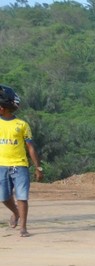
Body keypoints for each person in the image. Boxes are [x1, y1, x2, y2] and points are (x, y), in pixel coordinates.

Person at [0, 85, 42, 238]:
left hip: (20, 165)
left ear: (3, 108)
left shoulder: (22, 125)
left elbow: (30, 147)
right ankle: (16, 213)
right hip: (1, 166)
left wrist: (38, 167)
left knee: (22, 196)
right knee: (4, 197)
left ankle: (23, 227)